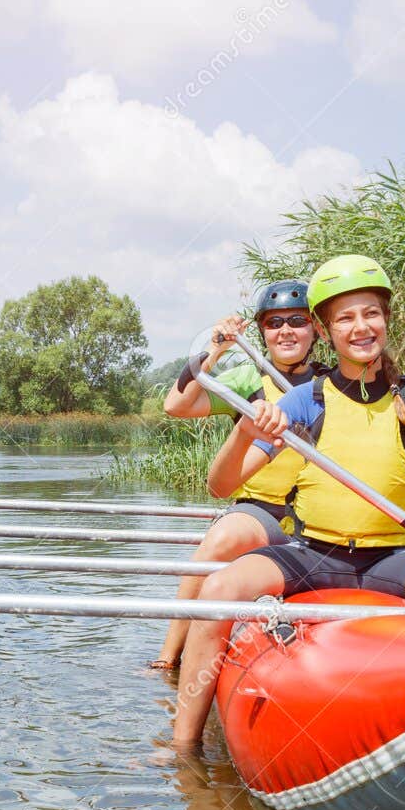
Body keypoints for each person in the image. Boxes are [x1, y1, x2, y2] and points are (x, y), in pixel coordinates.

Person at [172, 255, 405, 746]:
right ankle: (182, 749)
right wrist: (244, 433)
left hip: (396, 559)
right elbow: (221, 485)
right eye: (345, 318)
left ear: (386, 319)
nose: (361, 327)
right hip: (313, 554)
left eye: (371, 313)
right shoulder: (302, 401)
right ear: (326, 329)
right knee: (217, 593)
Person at [150, 280, 327, 669]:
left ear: (314, 329)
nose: (286, 331)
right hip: (263, 512)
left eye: (297, 321)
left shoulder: (332, 382)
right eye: (274, 322)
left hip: (323, 516)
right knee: (221, 540)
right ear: (262, 331)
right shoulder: (249, 379)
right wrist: (217, 347)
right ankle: (168, 659)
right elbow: (176, 405)